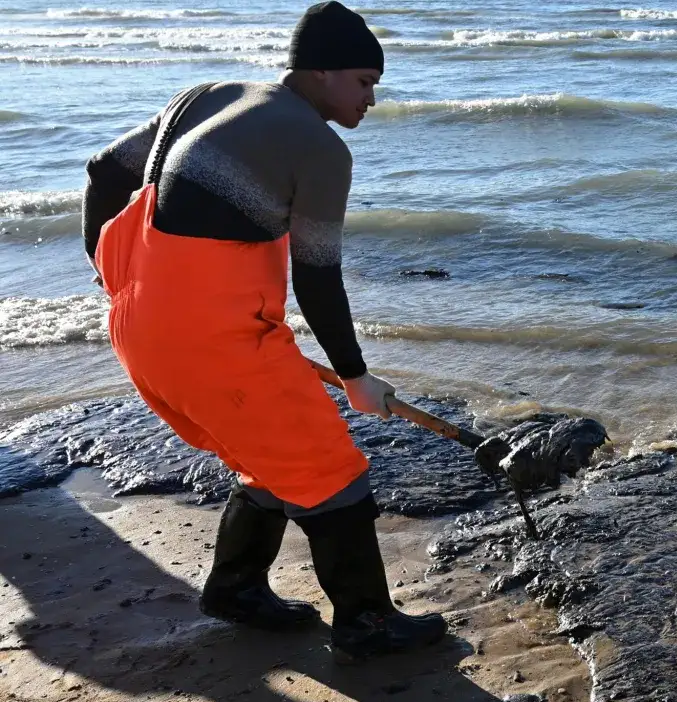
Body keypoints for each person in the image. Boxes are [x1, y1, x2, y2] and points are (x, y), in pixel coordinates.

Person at [82, 1, 446, 662]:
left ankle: (235, 588)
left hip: (138, 326)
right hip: (213, 342)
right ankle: (366, 622)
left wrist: (107, 275)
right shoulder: (319, 147)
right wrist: (355, 375)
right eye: (365, 81)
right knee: (332, 464)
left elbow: (103, 173)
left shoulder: (207, 96)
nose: (372, 98)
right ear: (323, 70)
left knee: (269, 457)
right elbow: (317, 277)